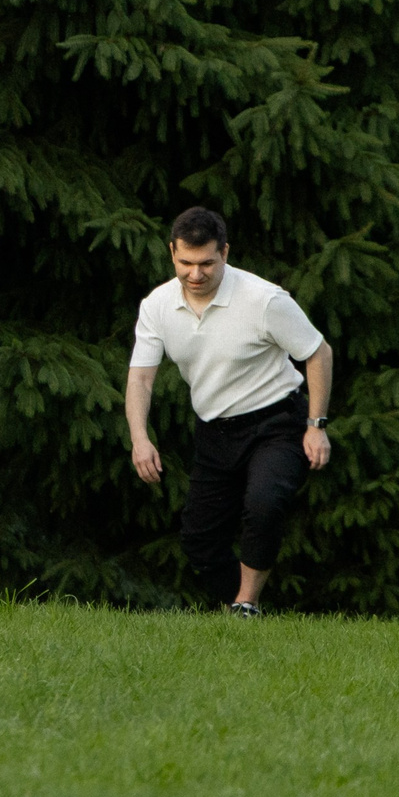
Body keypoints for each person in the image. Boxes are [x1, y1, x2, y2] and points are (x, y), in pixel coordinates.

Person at [126, 205, 333, 616]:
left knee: (264, 504)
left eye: (206, 263)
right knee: (198, 540)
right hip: (215, 430)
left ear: (225, 252)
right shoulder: (157, 305)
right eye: (186, 263)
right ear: (172, 253)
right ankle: (235, 612)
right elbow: (141, 378)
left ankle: (246, 604)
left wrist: (315, 424)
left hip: (277, 421)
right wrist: (140, 438)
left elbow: (318, 352)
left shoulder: (264, 299)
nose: (195, 274)